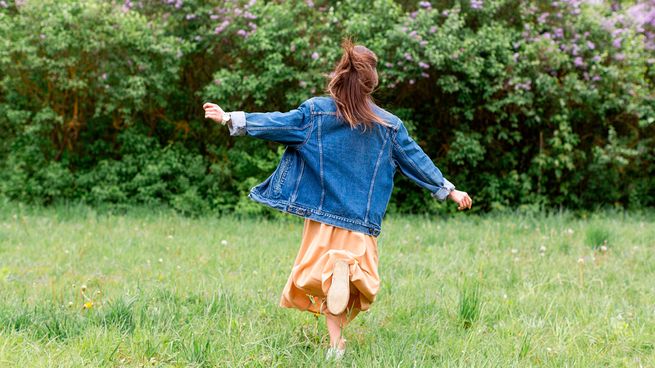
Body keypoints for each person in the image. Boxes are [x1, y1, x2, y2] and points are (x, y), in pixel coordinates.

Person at [203, 38, 472, 360]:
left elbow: (277, 123)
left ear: (338, 77)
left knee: (324, 280)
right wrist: (448, 189)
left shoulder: (316, 112)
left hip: (323, 216)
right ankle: (344, 283)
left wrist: (230, 117)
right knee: (354, 282)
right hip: (359, 220)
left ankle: (335, 345)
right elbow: (415, 160)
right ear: (372, 83)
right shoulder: (388, 125)